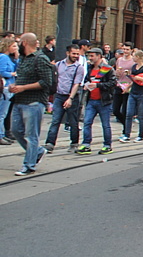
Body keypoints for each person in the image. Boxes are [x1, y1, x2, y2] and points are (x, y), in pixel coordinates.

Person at [9, 34, 55, 176]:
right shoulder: (23, 59)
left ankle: (29, 165)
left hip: (34, 102)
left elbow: (46, 82)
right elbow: (22, 78)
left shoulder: (40, 59)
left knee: (31, 135)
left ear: (24, 43)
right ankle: (38, 151)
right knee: (15, 130)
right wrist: (15, 86)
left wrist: (23, 87)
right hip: (19, 100)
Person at [45, 44, 84, 153]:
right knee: (55, 120)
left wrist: (70, 98)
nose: (76, 56)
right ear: (68, 53)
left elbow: (77, 84)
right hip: (59, 95)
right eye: (74, 53)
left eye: (77, 54)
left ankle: (74, 143)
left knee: (73, 121)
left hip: (72, 97)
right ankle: (50, 143)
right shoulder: (58, 65)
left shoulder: (78, 67)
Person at [76, 48, 116, 156]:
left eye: (92, 56)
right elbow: (86, 80)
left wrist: (98, 85)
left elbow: (113, 83)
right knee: (87, 122)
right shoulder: (89, 68)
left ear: (99, 56)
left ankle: (107, 145)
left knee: (105, 124)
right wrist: (86, 85)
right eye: (89, 56)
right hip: (91, 100)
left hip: (104, 101)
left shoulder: (107, 69)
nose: (90, 58)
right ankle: (86, 144)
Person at [120, 49, 143, 143]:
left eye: (134, 56)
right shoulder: (134, 67)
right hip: (133, 93)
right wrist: (128, 85)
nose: (133, 57)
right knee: (128, 114)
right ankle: (126, 135)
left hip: (142, 94)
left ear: (138, 57)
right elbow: (134, 80)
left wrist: (140, 79)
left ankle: (140, 135)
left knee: (140, 115)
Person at [0, 37, 19, 145]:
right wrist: (12, 74)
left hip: (9, 87)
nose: (16, 48)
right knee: (2, 113)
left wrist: (17, 58)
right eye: (14, 46)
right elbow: (2, 71)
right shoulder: (3, 57)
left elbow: (17, 67)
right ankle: (1, 135)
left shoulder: (8, 58)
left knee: (4, 113)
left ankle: (2, 134)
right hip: (6, 87)